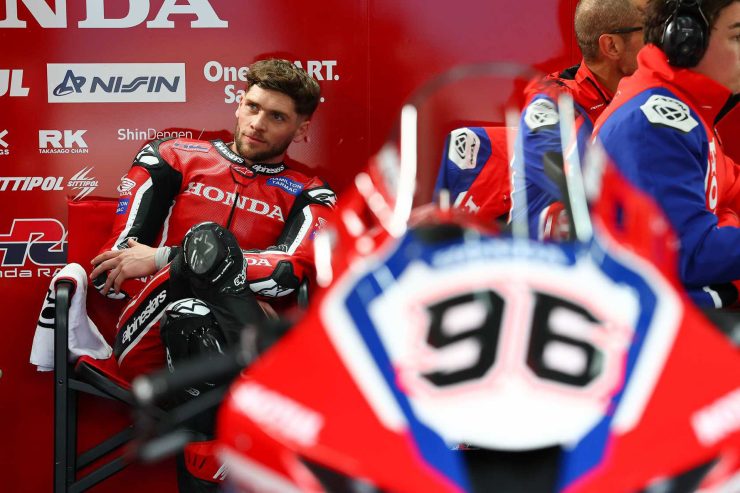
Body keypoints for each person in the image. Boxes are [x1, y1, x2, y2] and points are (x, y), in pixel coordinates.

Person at [89, 58, 336, 381]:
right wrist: (234, 293)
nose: (257, 124)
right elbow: (111, 269)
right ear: (239, 104)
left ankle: (203, 412)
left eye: (277, 116)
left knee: (196, 308)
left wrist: (163, 258)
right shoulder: (171, 156)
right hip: (149, 335)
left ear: (301, 130)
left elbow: (284, 275)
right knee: (195, 290)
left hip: (236, 344)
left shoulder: (311, 193)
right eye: (253, 107)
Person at [593, 0, 740, 308]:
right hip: (654, 326)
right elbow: (688, 252)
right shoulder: (653, 125)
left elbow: (728, 186)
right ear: (687, 41)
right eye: (737, 37)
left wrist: (725, 222)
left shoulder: (686, 107)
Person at [509, 0, 646, 239]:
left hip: (612, 245)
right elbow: (582, 182)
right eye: (649, 29)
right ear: (612, 46)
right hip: (545, 253)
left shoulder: (643, 96)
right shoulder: (552, 100)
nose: (660, 40)